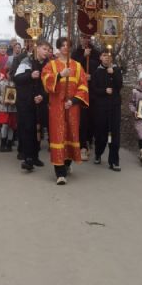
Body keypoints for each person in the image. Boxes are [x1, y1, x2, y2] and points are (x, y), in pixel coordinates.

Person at [42, 36, 89, 185]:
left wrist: (73, 101)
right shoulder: (51, 65)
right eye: (62, 45)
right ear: (58, 47)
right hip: (57, 107)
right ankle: (60, 173)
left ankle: (67, 164)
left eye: (67, 45)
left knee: (71, 134)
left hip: (72, 107)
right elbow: (45, 80)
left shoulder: (77, 66)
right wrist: (60, 75)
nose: (65, 48)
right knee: (58, 136)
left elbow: (83, 86)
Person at [14, 40, 50, 172]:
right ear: (37, 48)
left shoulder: (48, 64)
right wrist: (30, 75)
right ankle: (27, 158)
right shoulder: (27, 62)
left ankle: (35, 156)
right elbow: (17, 79)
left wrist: (42, 96)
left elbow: (49, 85)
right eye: (44, 49)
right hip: (26, 102)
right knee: (28, 129)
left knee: (38, 130)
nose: (46, 52)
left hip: (40, 102)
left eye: (48, 50)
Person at [91, 48, 124, 171]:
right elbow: (93, 89)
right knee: (101, 134)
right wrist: (104, 91)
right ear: (100, 57)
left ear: (112, 58)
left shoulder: (116, 70)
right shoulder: (97, 72)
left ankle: (114, 161)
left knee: (114, 134)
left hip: (114, 107)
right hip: (101, 108)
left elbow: (119, 85)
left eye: (108, 55)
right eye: (104, 55)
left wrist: (113, 73)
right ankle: (98, 153)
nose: (106, 58)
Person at [71, 34, 100, 160]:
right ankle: (82, 146)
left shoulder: (96, 53)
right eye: (83, 37)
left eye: (88, 38)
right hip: (80, 90)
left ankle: (89, 139)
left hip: (93, 91)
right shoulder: (76, 53)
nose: (85, 40)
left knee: (92, 118)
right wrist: (83, 56)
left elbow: (100, 70)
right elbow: (73, 68)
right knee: (82, 119)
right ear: (80, 38)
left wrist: (92, 76)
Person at [0, 67, 18, 152]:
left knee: (11, 126)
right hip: (3, 108)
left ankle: (9, 144)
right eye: (9, 73)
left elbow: (18, 95)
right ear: (6, 73)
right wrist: (3, 100)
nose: (10, 75)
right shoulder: (1, 83)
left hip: (13, 109)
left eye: (12, 73)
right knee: (4, 125)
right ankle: (3, 144)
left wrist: (15, 101)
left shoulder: (15, 84)